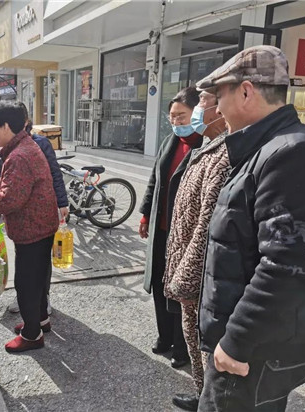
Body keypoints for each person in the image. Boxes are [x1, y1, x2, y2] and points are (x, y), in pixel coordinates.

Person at [195, 45, 305, 411]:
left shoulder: (291, 154)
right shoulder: (270, 146)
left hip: (257, 349)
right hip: (258, 342)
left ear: (246, 92)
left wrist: (236, 340)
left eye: (220, 96)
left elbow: (286, 265)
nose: (216, 109)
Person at [163, 90, 229, 411]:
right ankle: (202, 394)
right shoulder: (207, 145)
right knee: (194, 338)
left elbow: (207, 224)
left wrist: (185, 278)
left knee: (206, 342)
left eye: (203, 101)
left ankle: (210, 401)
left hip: (201, 275)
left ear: (221, 108)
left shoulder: (226, 153)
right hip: (188, 265)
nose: (198, 109)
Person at [0, 101, 59, 353]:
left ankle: (32, 335)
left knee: (26, 284)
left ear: (5, 126)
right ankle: (40, 321)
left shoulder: (19, 155)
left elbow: (10, 199)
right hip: (41, 226)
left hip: (32, 230)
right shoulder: (23, 147)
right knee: (37, 280)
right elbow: (10, 182)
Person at [139, 87, 202, 367]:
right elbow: (155, 180)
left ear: (197, 113)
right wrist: (145, 215)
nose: (176, 122)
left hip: (186, 235)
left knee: (181, 289)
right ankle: (164, 336)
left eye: (182, 116)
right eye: (172, 117)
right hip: (162, 229)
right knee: (159, 283)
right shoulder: (169, 142)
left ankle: (182, 346)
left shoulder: (206, 146)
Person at [0, 102, 69, 316]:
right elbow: (2, 178)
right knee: (27, 265)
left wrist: (62, 202)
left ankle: (40, 303)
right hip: (23, 220)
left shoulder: (34, 145)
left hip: (35, 219)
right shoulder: (8, 146)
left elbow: (54, 173)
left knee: (37, 265)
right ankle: (32, 305)